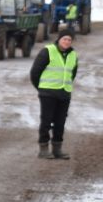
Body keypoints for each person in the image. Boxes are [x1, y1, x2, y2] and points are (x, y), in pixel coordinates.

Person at [31, 31, 78, 159]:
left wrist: (66, 86)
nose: (67, 42)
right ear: (59, 39)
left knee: (60, 122)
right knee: (46, 121)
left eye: (69, 39)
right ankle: (44, 148)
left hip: (64, 93)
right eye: (65, 39)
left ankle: (57, 148)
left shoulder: (73, 54)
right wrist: (41, 88)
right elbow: (35, 72)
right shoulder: (48, 51)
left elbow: (72, 74)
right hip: (48, 93)